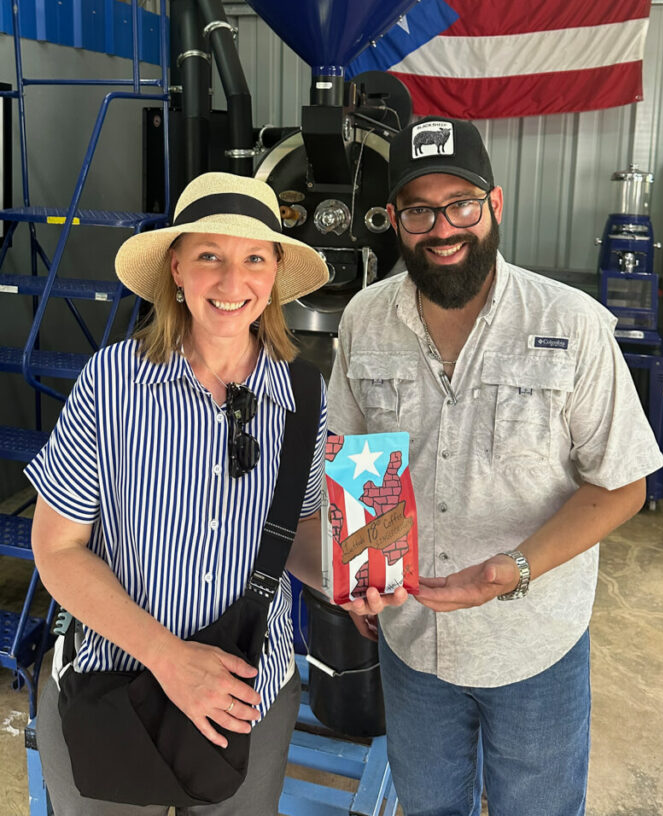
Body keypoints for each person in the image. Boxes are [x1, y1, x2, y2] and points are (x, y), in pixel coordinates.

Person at [27, 171, 404, 816]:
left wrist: (354, 579)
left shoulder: (305, 394)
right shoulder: (113, 380)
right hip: (118, 679)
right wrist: (168, 658)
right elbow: (57, 550)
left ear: (275, 271)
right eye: (210, 258)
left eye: (254, 258)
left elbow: (295, 535)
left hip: (251, 687)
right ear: (176, 269)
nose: (233, 284)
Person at [327, 117, 663, 816]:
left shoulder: (569, 322)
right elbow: (358, 455)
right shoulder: (364, 319)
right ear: (394, 219)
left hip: (533, 638)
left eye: (461, 204)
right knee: (427, 808)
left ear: (495, 206)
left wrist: (510, 569)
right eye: (419, 209)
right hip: (414, 636)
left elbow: (621, 482)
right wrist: (368, 570)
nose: (442, 227)